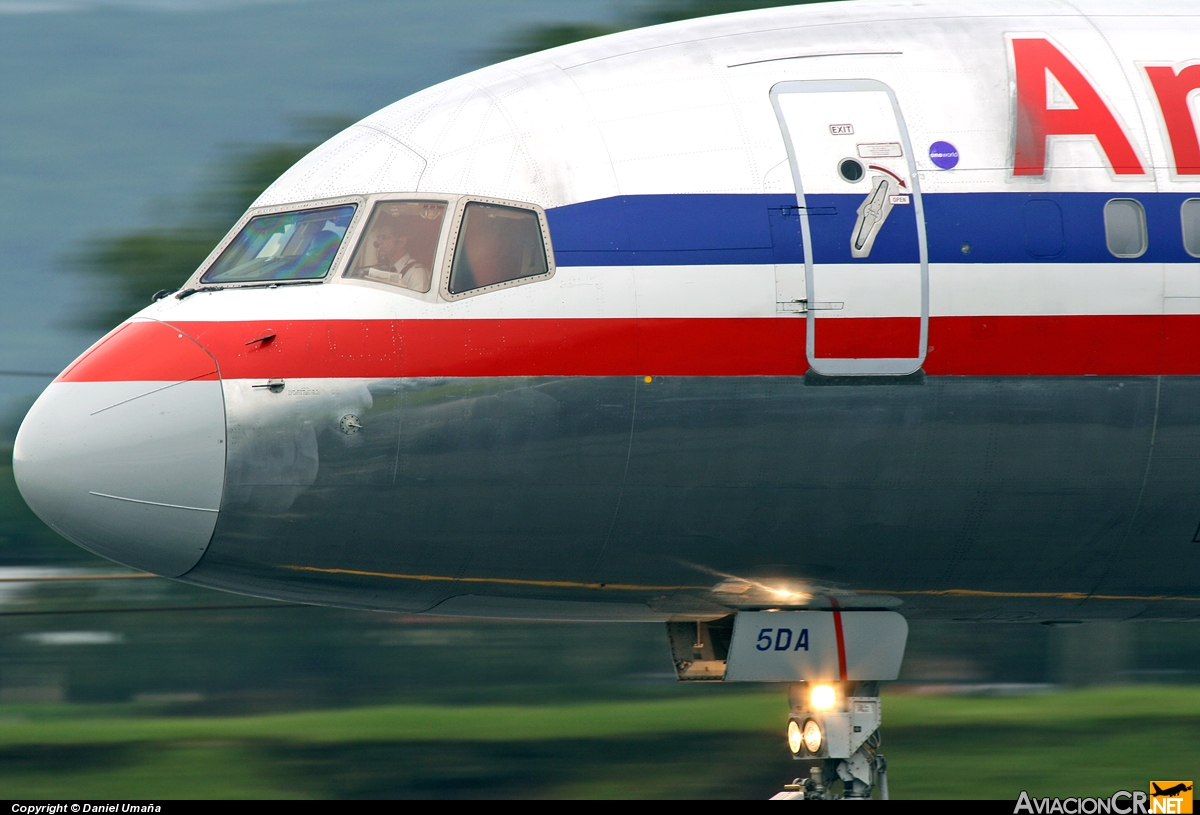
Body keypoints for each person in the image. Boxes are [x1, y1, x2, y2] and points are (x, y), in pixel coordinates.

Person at [364, 221, 430, 292]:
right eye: (378, 237)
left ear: (402, 242)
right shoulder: (385, 267)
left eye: (384, 237)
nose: (379, 242)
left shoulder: (416, 273)